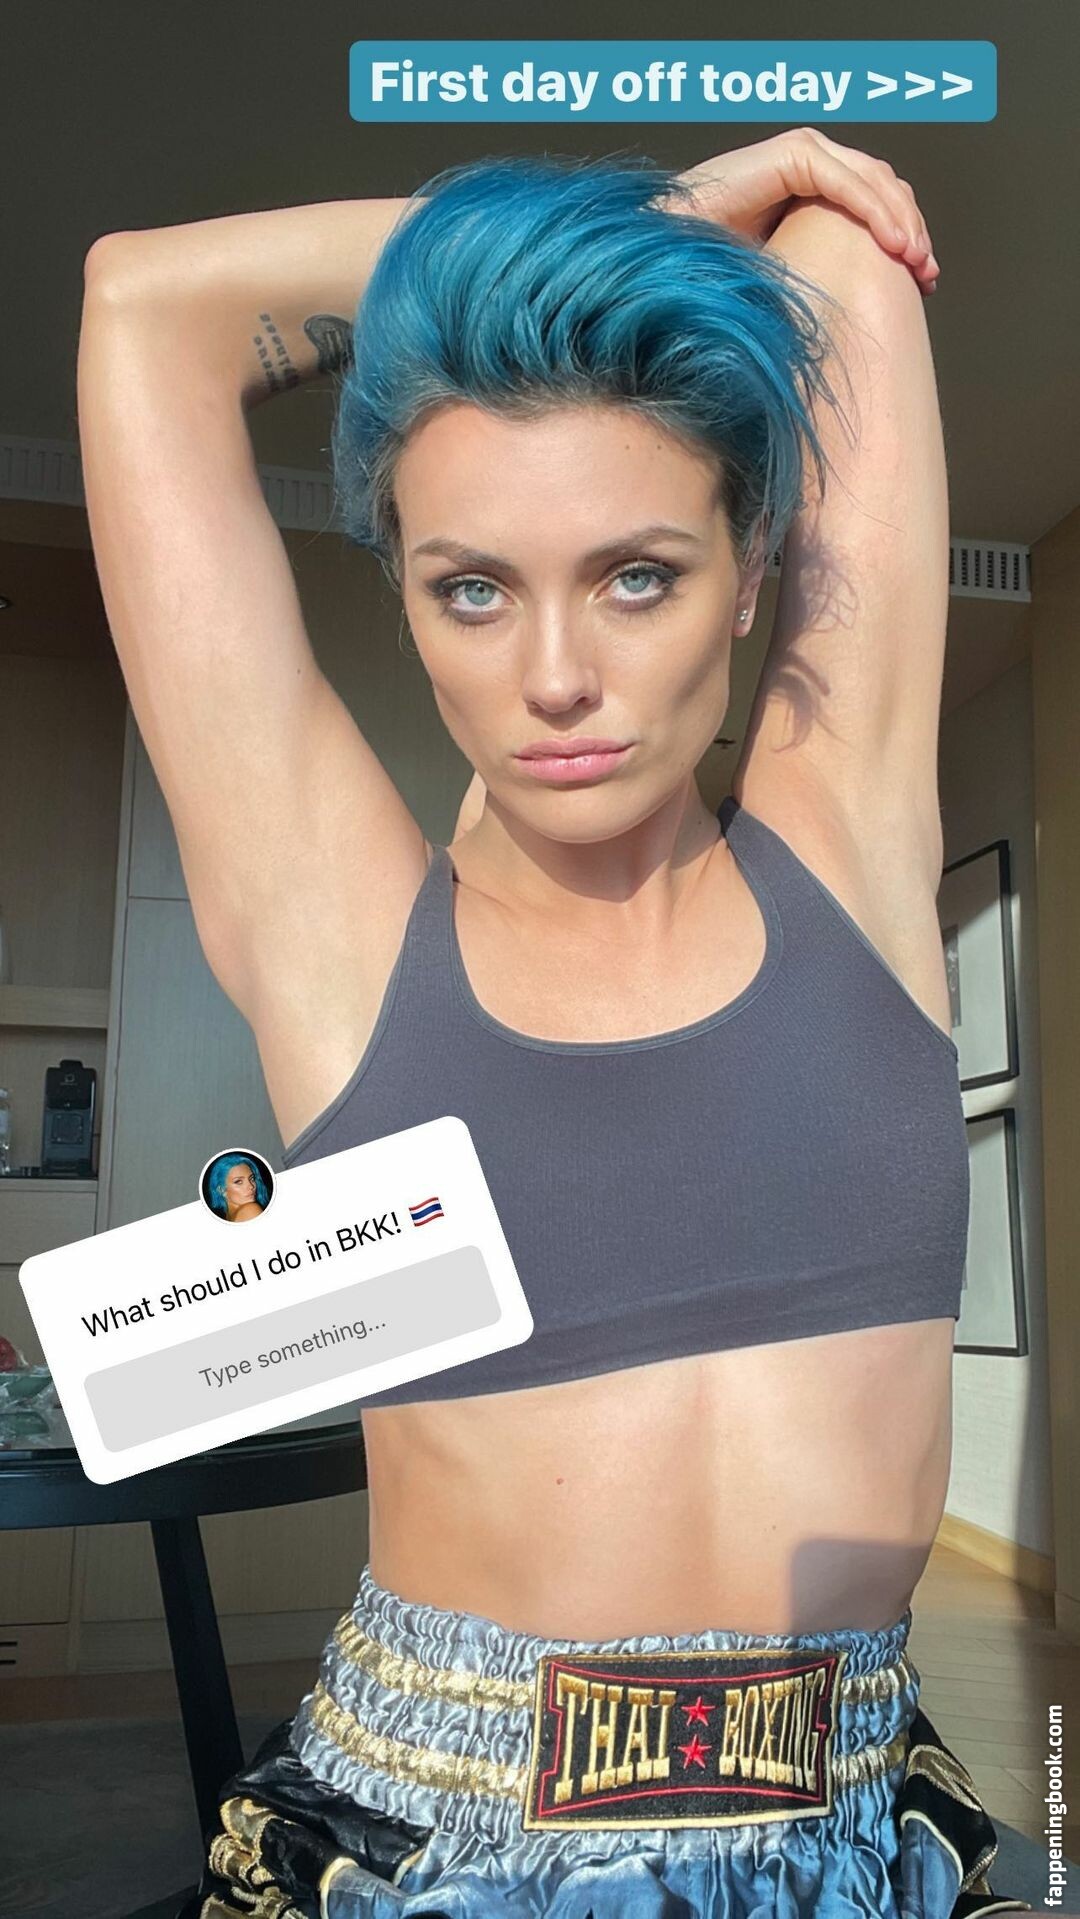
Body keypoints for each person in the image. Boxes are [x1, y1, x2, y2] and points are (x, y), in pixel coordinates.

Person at [78, 132, 1031, 1917]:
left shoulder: (847, 847)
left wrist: (624, 254)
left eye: (638, 573)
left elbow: (839, 251)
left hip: (854, 1834)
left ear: (752, 566)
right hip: (443, 1857)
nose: (556, 677)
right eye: (474, 586)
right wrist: (639, 223)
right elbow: (143, 306)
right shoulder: (346, 938)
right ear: (411, 595)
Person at [204, 1152, 269, 1222]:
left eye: (252, 1179)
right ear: (221, 1190)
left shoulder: (228, 1217)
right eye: (238, 1182)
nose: (251, 1186)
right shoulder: (250, 1210)